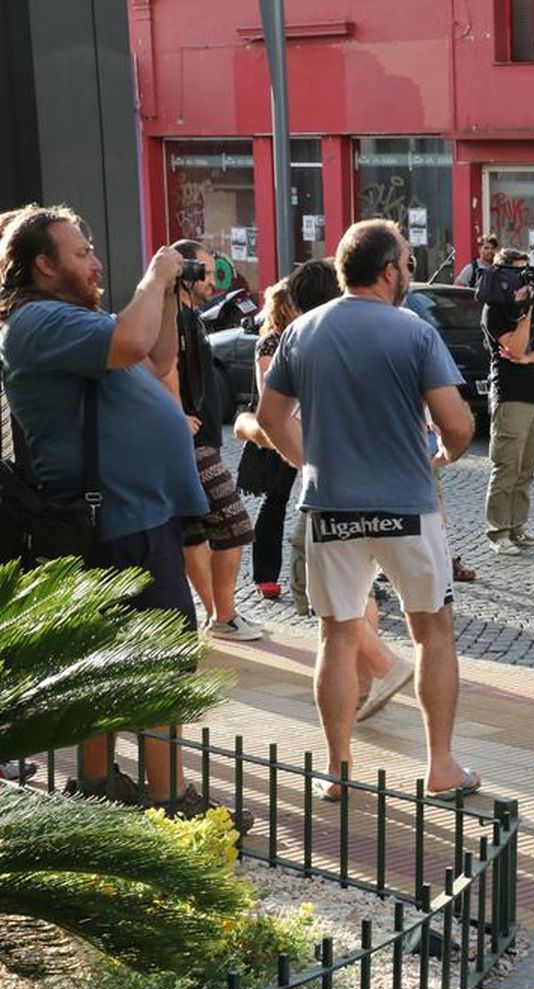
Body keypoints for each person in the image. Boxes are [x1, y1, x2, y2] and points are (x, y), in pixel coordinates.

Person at [0, 205, 226, 817]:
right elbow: (129, 342)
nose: (95, 260)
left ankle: (99, 784)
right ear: (43, 264)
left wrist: (165, 298)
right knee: (159, 661)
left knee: (107, 658)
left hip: (130, 515)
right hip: (114, 520)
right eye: (81, 252)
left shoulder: (67, 319)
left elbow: (150, 361)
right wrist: (153, 277)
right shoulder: (38, 321)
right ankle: (170, 801)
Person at [259, 220, 477, 797]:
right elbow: (455, 423)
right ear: (388, 271)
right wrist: (445, 456)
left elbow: (271, 418)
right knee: (433, 631)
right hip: (406, 504)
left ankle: (337, 769)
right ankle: (442, 767)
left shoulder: (301, 331)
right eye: (406, 263)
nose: (409, 272)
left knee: (337, 636)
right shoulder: (412, 331)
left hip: (331, 505)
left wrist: (308, 462)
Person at [235, 257, 411, 724]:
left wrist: (248, 425)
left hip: (331, 485)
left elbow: (283, 421)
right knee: (356, 588)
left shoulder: (301, 344)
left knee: (321, 594)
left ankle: (381, 668)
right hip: (382, 481)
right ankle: (363, 688)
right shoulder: (383, 334)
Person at [165, 239, 264, 641]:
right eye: (203, 270)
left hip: (199, 437)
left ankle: (216, 615)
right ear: (182, 273)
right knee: (235, 526)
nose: (211, 278)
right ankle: (223, 616)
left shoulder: (190, 316)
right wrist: (175, 416)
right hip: (190, 441)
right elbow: (162, 367)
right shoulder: (172, 317)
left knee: (195, 531)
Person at [485, 248, 534, 556]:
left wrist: (529, 358)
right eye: (520, 273)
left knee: (527, 468)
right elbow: (514, 346)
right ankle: (498, 532)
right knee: (507, 467)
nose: (526, 279)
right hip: (510, 396)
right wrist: (525, 312)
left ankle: (518, 528)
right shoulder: (495, 309)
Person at [247, 280, 298, 600]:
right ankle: (265, 575)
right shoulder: (271, 342)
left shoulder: (305, 335)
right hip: (281, 427)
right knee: (275, 500)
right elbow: (267, 388)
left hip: (309, 424)